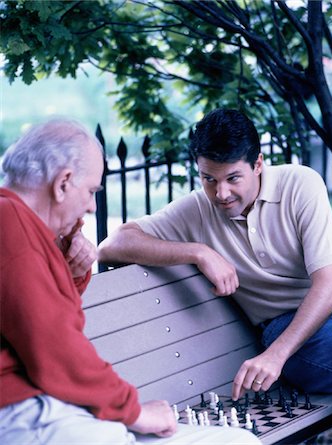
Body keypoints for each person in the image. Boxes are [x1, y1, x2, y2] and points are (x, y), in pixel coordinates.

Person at [99, 108, 332, 445]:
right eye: (208, 179)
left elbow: (329, 287)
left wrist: (275, 356)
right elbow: (112, 245)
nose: (221, 194)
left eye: (233, 178)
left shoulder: (299, 183)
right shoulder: (196, 211)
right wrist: (198, 252)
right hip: (293, 329)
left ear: (258, 164)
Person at [0, 119, 261, 445]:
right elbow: (57, 350)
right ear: (64, 182)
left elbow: (44, 320)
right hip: (21, 410)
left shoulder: (19, 225)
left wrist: (70, 267)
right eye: (92, 191)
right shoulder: (11, 224)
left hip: (42, 405)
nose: (92, 206)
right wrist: (136, 411)